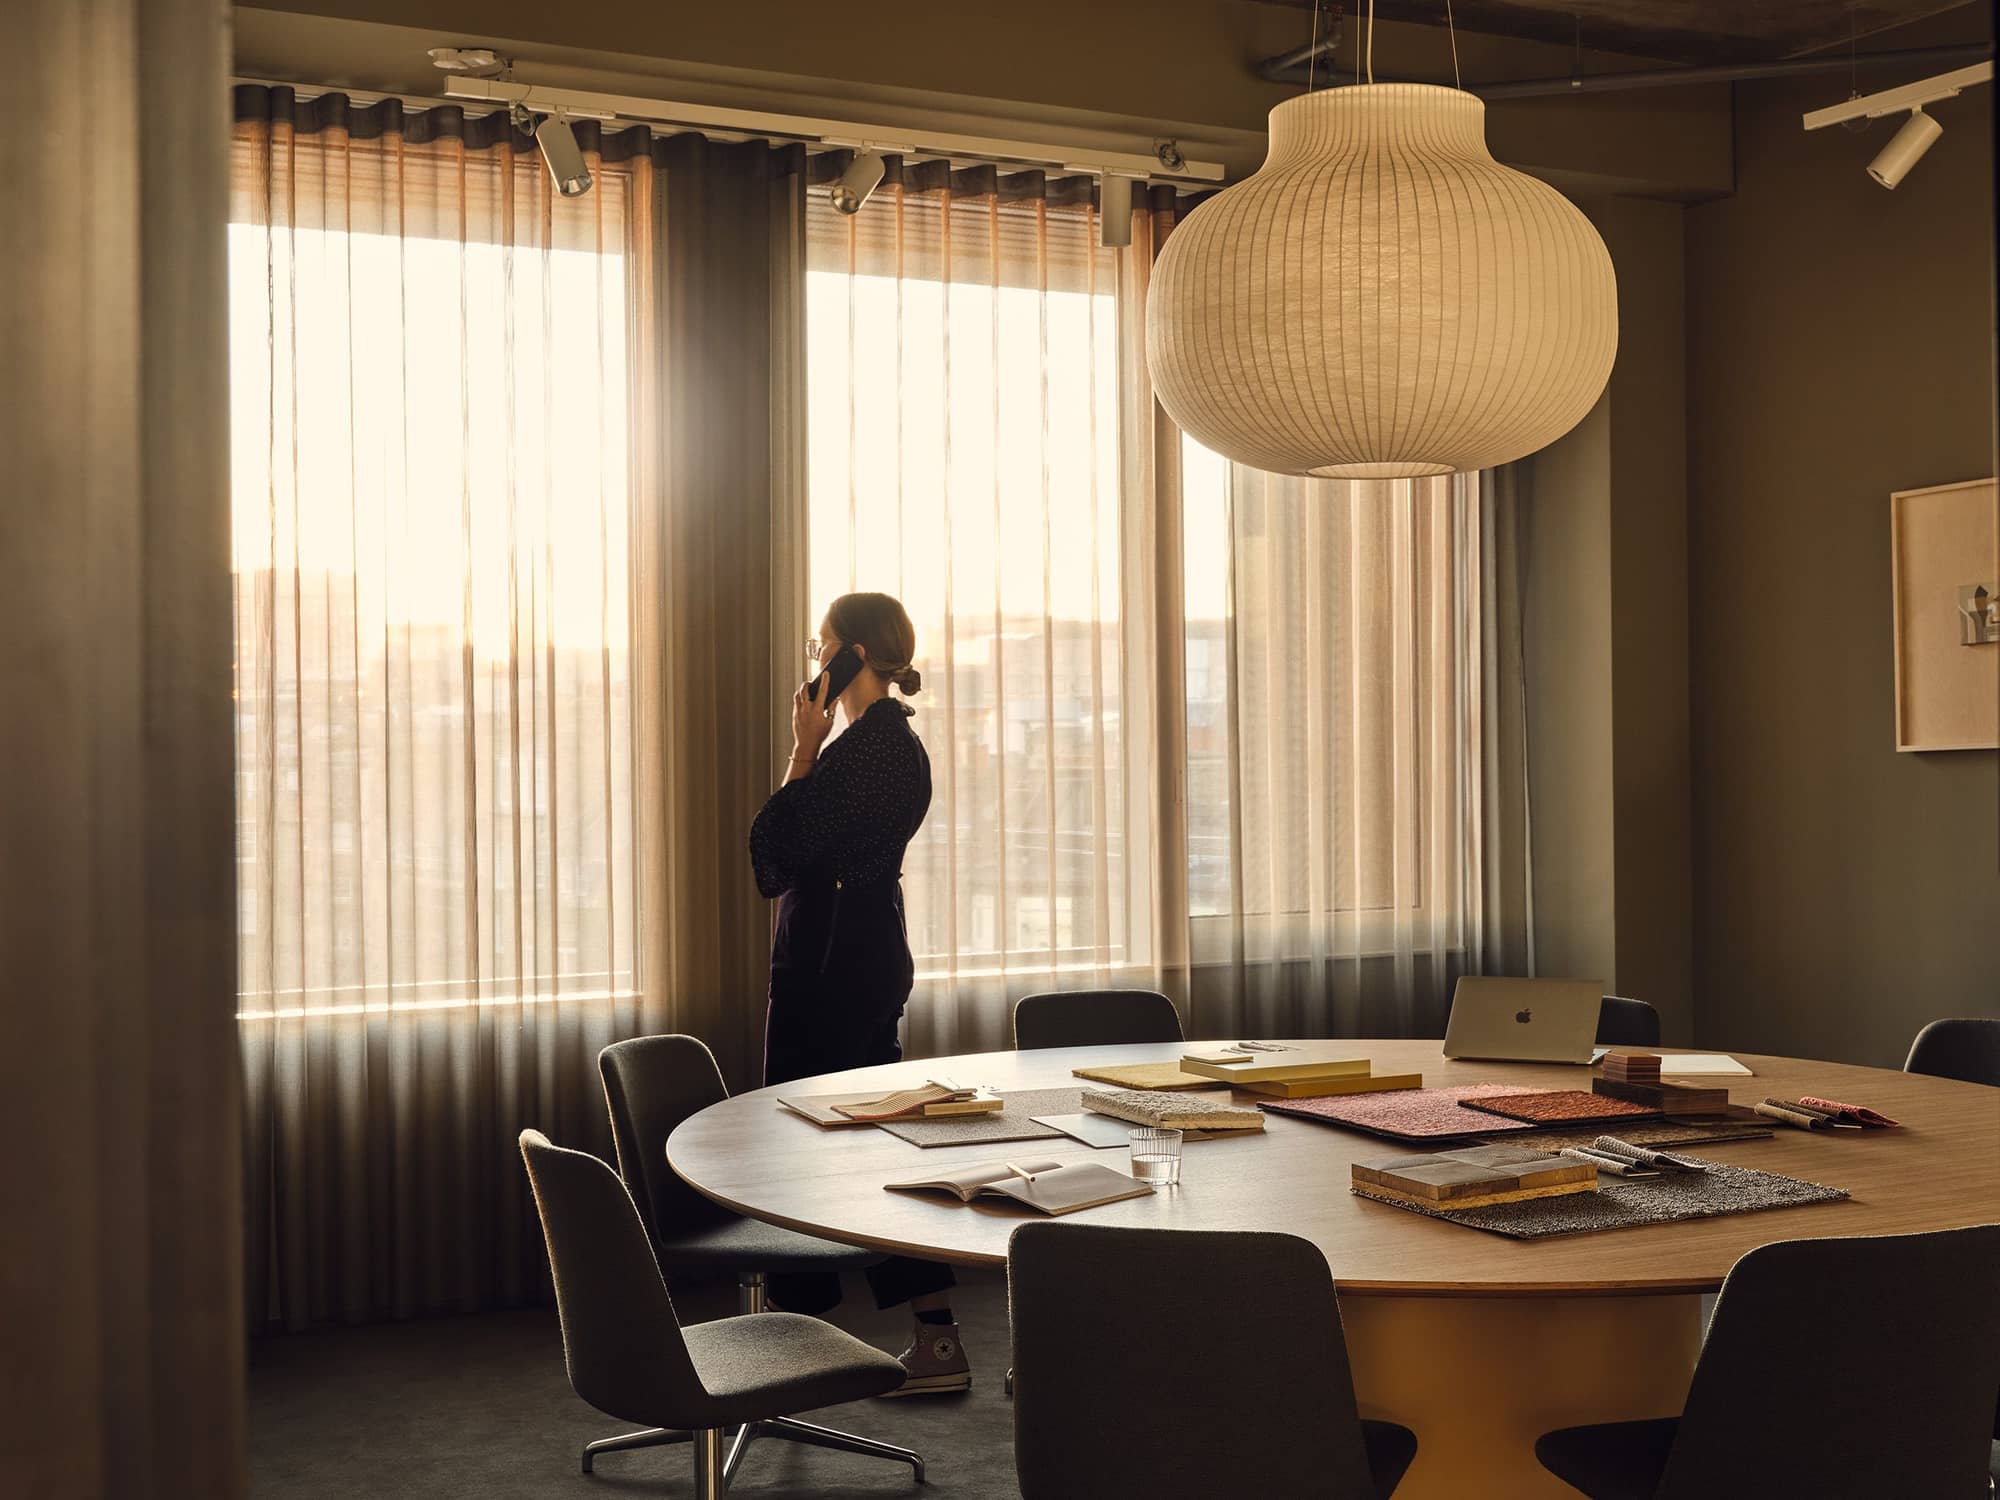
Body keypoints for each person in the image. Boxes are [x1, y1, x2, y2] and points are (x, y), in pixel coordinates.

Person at [747, 591, 970, 1396]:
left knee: (807, 1144)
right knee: (875, 1145)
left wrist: (801, 747)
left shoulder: (868, 750)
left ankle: (787, 1343)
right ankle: (932, 1337)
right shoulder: (882, 743)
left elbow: (773, 856)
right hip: (857, 955)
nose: (815, 658)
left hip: (832, 966)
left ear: (853, 655)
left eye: (824, 645)